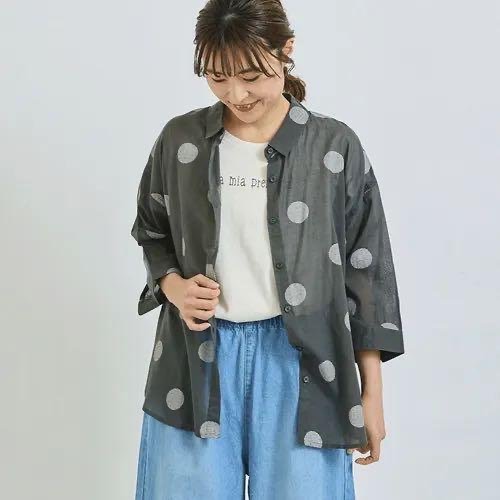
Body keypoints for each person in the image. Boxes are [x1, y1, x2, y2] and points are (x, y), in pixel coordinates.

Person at [131, 1, 405, 499]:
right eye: (217, 78)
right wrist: (174, 287)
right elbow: (152, 230)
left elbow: (366, 274)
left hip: (306, 366)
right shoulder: (180, 141)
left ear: (286, 50)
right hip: (193, 365)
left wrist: (372, 394)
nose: (235, 94)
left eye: (251, 76)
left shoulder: (334, 147)